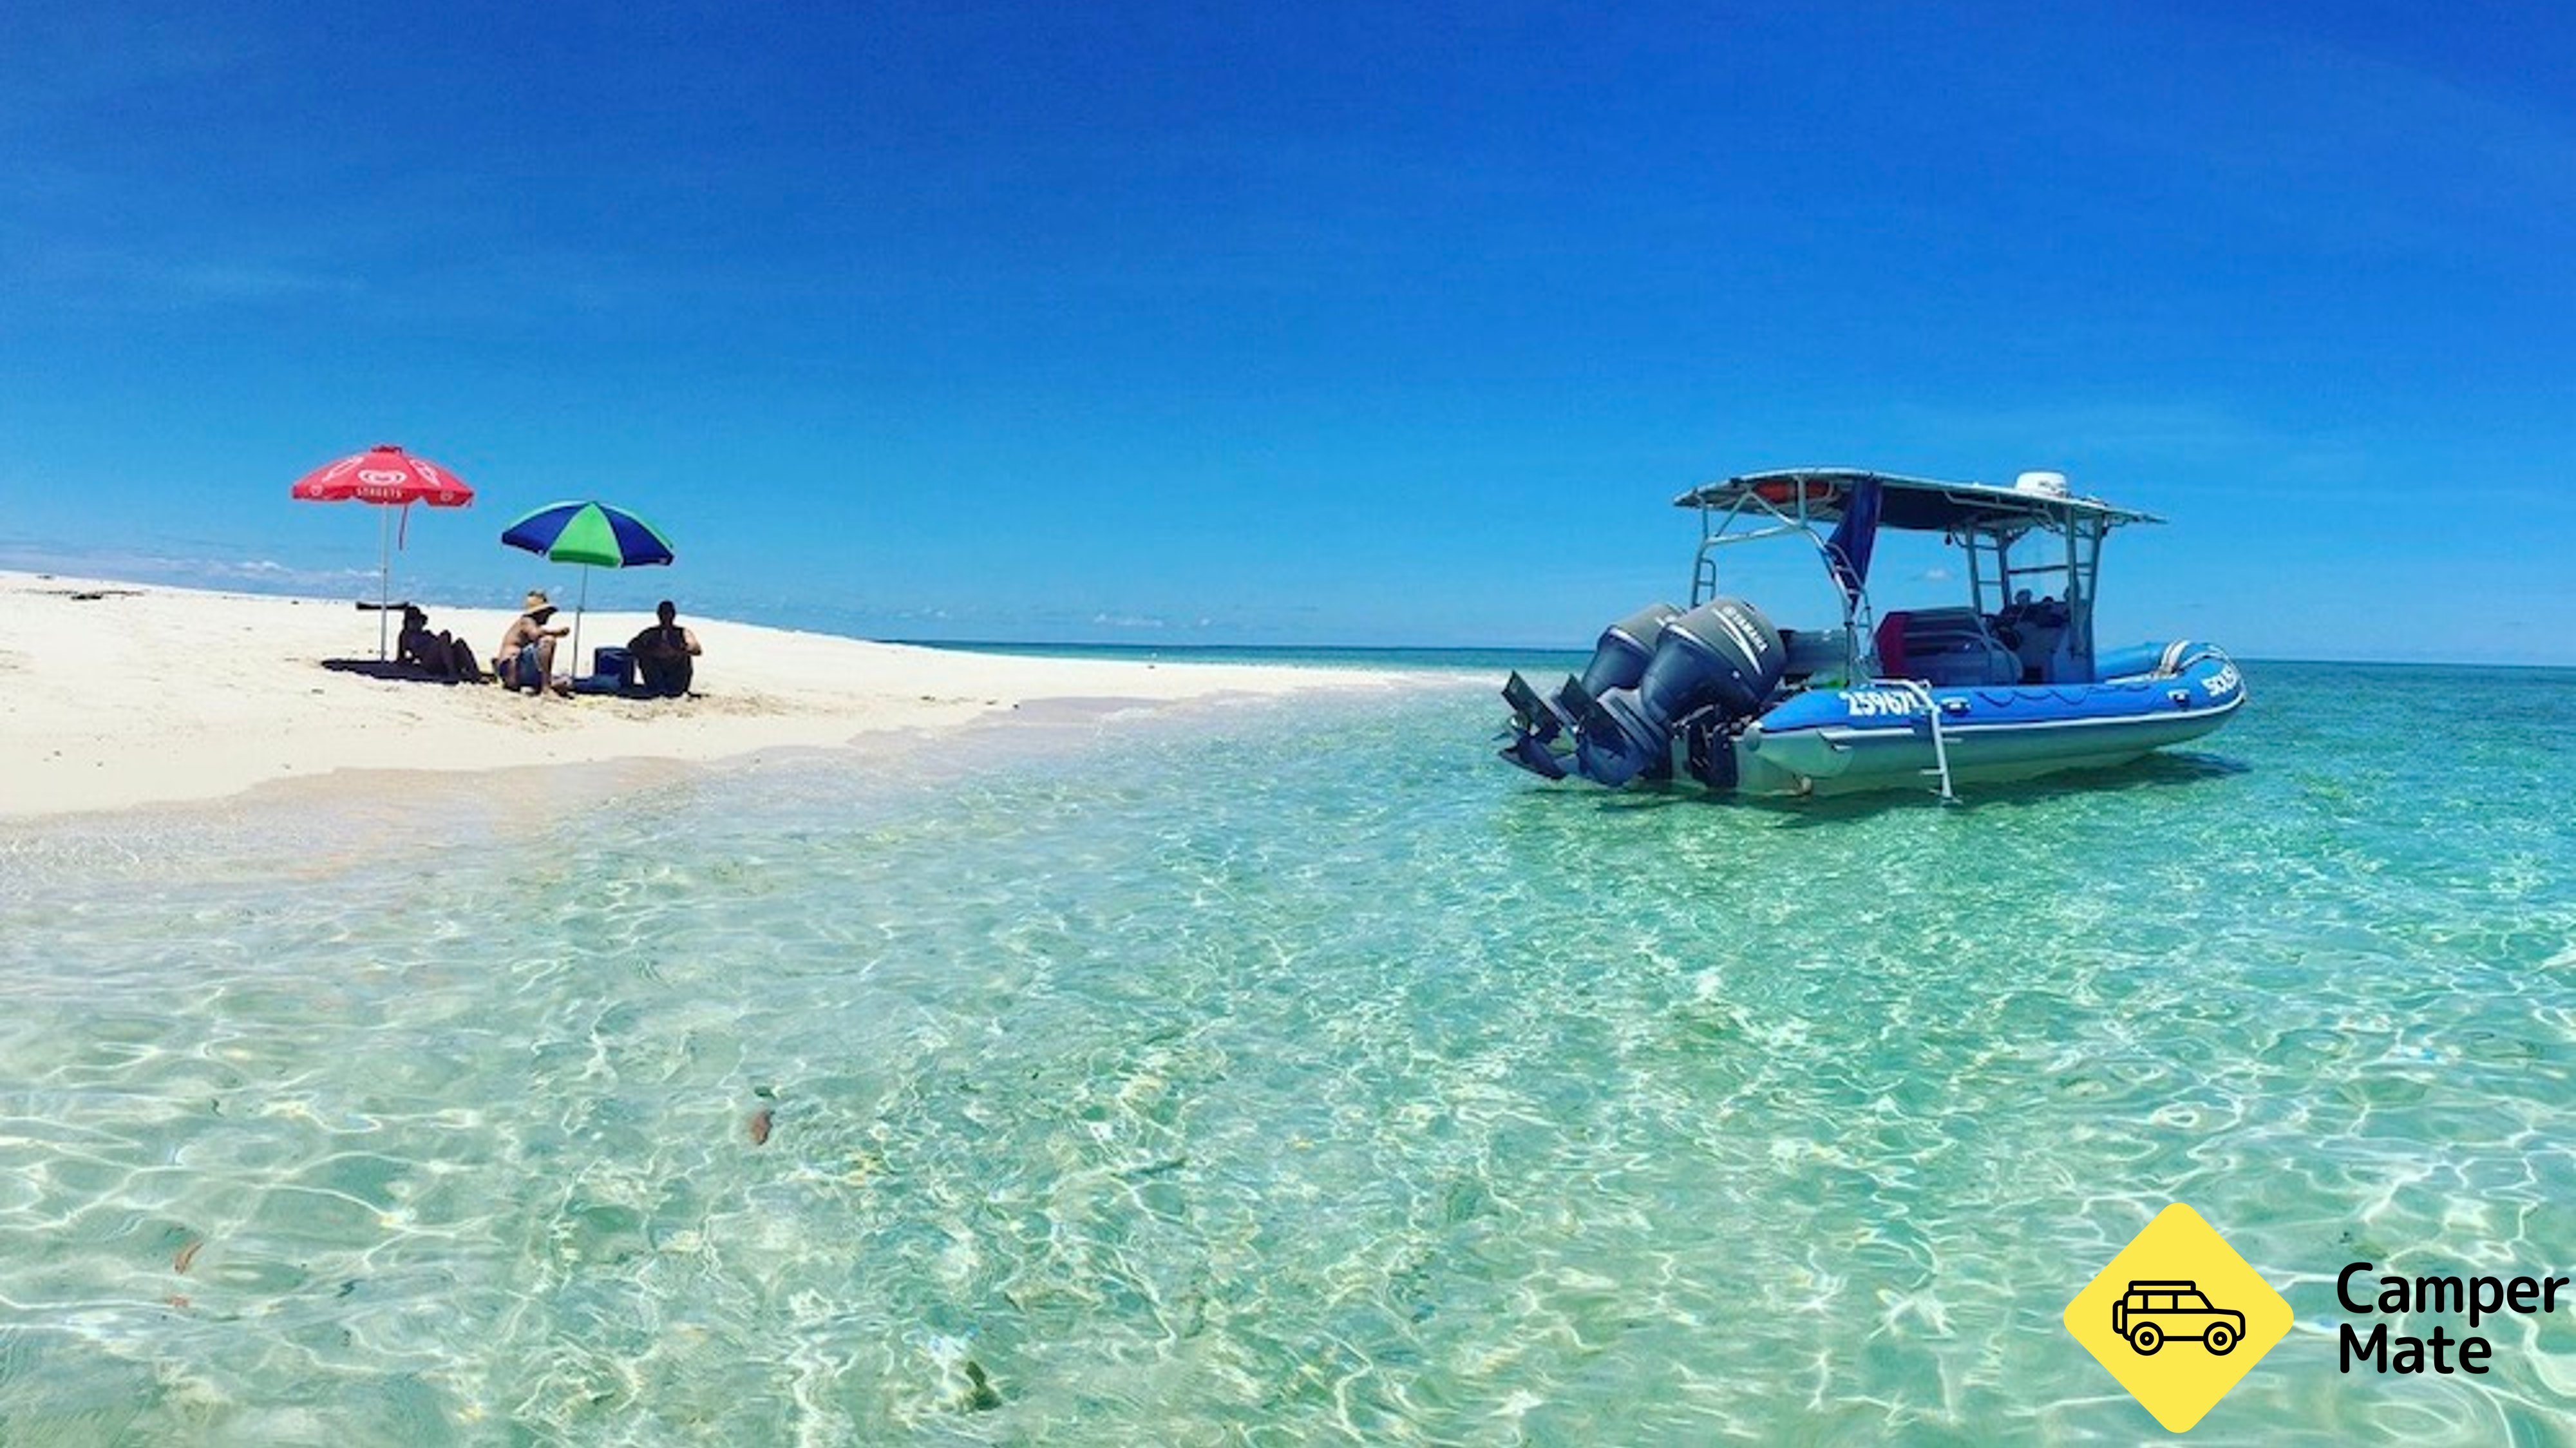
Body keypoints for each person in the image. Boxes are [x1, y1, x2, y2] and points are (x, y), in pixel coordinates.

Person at [495, 590, 571, 695]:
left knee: (565, 682)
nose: (548, 616)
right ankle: (546, 687)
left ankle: (539, 684)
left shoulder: (531, 623)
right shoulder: (527, 621)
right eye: (546, 613)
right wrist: (557, 633)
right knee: (548, 641)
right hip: (512, 667)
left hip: (517, 670)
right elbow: (536, 634)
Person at [627, 600, 702, 698]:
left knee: (686, 658)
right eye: (663, 613)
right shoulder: (651, 633)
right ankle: (657, 688)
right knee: (643, 657)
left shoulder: (682, 632)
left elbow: (696, 649)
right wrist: (652, 651)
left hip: (677, 676)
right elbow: (632, 645)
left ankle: (674, 689)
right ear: (659, 615)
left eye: (668, 613)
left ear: (673, 615)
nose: (666, 617)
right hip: (656, 676)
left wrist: (677, 651)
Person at [397, 605, 483, 682]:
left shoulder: (427, 633)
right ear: (407, 623)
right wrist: (413, 659)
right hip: (429, 661)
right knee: (445, 635)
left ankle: (475, 673)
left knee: (460, 643)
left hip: (442, 658)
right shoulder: (406, 635)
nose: (416, 623)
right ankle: (452, 672)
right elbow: (401, 657)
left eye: (418, 620)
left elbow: (441, 644)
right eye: (413, 621)